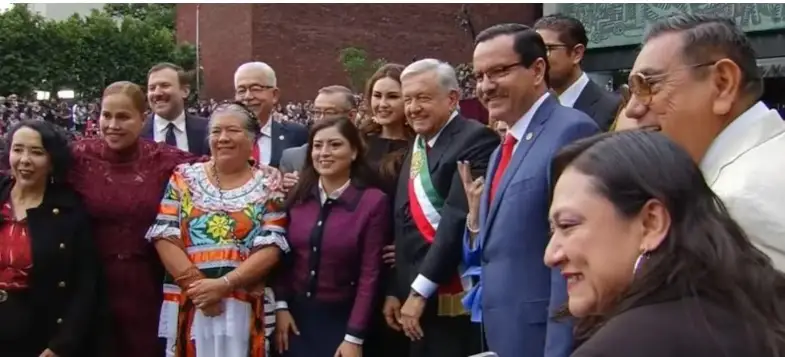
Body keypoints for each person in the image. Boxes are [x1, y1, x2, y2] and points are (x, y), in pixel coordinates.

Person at [545, 130, 785, 357]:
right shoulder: (757, 311)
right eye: (552, 231)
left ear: (651, 223)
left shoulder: (622, 347)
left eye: (568, 225)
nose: (551, 255)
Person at [461, 23, 599, 357]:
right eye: (478, 76)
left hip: (544, 340)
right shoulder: (501, 150)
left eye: (498, 72)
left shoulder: (571, 130)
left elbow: (576, 253)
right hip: (504, 334)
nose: (485, 86)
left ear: (538, 69)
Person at [624, 14, 785, 270]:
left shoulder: (736, 203)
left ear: (723, 84)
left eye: (648, 84)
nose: (632, 110)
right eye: (630, 91)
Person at [146, 102, 289, 357]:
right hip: (193, 303)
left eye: (232, 130)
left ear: (251, 138)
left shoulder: (269, 183)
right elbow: (164, 235)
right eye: (216, 131)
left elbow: (272, 245)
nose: (222, 138)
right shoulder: (183, 177)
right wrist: (200, 288)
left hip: (243, 306)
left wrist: (223, 285)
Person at [69, 81, 200, 357]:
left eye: (123, 117)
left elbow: (217, 170)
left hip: (147, 286)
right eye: (107, 116)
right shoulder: (78, 157)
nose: (113, 125)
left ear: (143, 119)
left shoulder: (164, 159)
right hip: (91, 285)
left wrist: (267, 173)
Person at [389, 58, 499, 357]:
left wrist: (419, 291)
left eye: (423, 98)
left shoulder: (476, 139)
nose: (413, 108)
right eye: (408, 99)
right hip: (413, 298)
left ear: (452, 99)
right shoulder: (420, 141)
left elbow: (455, 220)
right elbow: (404, 222)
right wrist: (395, 289)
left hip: (452, 297)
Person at [273, 117, 388, 357]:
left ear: (354, 151)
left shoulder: (372, 201)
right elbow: (282, 256)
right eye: (317, 145)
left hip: (344, 319)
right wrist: (281, 306)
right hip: (295, 318)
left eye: (335, 145)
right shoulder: (298, 196)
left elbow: (371, 273)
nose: (324, 153)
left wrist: (354, 337)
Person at [0, 121, 104, 357]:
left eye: (36, 152)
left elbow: (85, 285)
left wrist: (62, 344)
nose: (24, 160)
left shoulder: (69, 210)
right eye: (18, 150)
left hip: (37, 333)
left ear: (52, 161)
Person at [359, 63, 413, 357]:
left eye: (392, 96)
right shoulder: (357, 143)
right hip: (356, 259)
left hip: (396, 263)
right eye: (376, 95)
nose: (382, 104)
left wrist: (405, 245)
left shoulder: (420, 147)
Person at [534, 14, 621, 131]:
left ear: (577, 54)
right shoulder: (534, 108)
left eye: (546, 50)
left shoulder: (612, 108)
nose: (538, 60)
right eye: (535, 51)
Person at [234, 62, 308, 168]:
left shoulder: (296, 135)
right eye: (241, 90)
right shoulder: (222, 137)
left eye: (256, 89)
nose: (247, 97)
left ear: (274, 95)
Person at [280, 85, 357, 174]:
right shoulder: (294, 157)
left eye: (329, 113)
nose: (321, 118)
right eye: (317, 112)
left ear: (351, 116)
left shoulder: (371, 152)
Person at [142, 62, 210, 156]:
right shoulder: (138, 131)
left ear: (185, 91)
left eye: (165, 85)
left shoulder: (207, 129)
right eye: (152, 88)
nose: (157, 93)